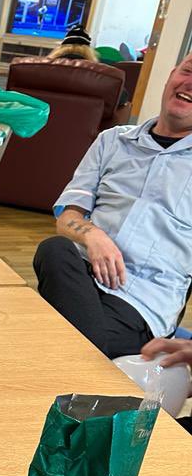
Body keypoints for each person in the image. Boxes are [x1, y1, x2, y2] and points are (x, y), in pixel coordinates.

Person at [33, 51, 192, 359]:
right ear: (172, 74)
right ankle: (90, 356)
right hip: (81, 274)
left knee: (64, 341)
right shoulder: (112, 141)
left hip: (142, 303)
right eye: (188, 71)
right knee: (54, 249)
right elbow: (67, 216)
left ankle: (84, 354)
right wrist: (94, 236)